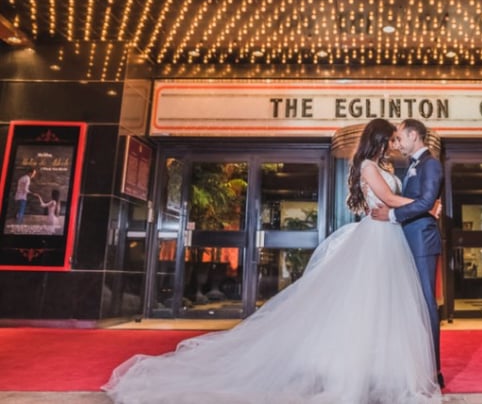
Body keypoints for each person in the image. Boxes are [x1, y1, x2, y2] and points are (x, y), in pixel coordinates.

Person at [103, 118, 442, 404]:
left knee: (384, 305)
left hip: (390, 236)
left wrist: (420, 204)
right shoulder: (368, 166)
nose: (396, 143)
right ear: (380, 140)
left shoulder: (387, 166)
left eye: (399, 138)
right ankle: (356, 369)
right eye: (392, 138)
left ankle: (382, 367)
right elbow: (388, 197)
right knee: (366, 304)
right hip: (377, 236)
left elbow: (396, 199)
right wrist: (427, 205)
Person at [371, 118, 445, 389]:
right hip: (407, 239)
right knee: (412, 304)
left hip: (422, 241)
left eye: (400, 137)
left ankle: (433, 371)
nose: (398, 143)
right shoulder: (412, 165)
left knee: (426, 303)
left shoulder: (430, 164)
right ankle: (415, 365)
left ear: (414, 135)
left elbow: (426, 201)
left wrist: (392, 215)